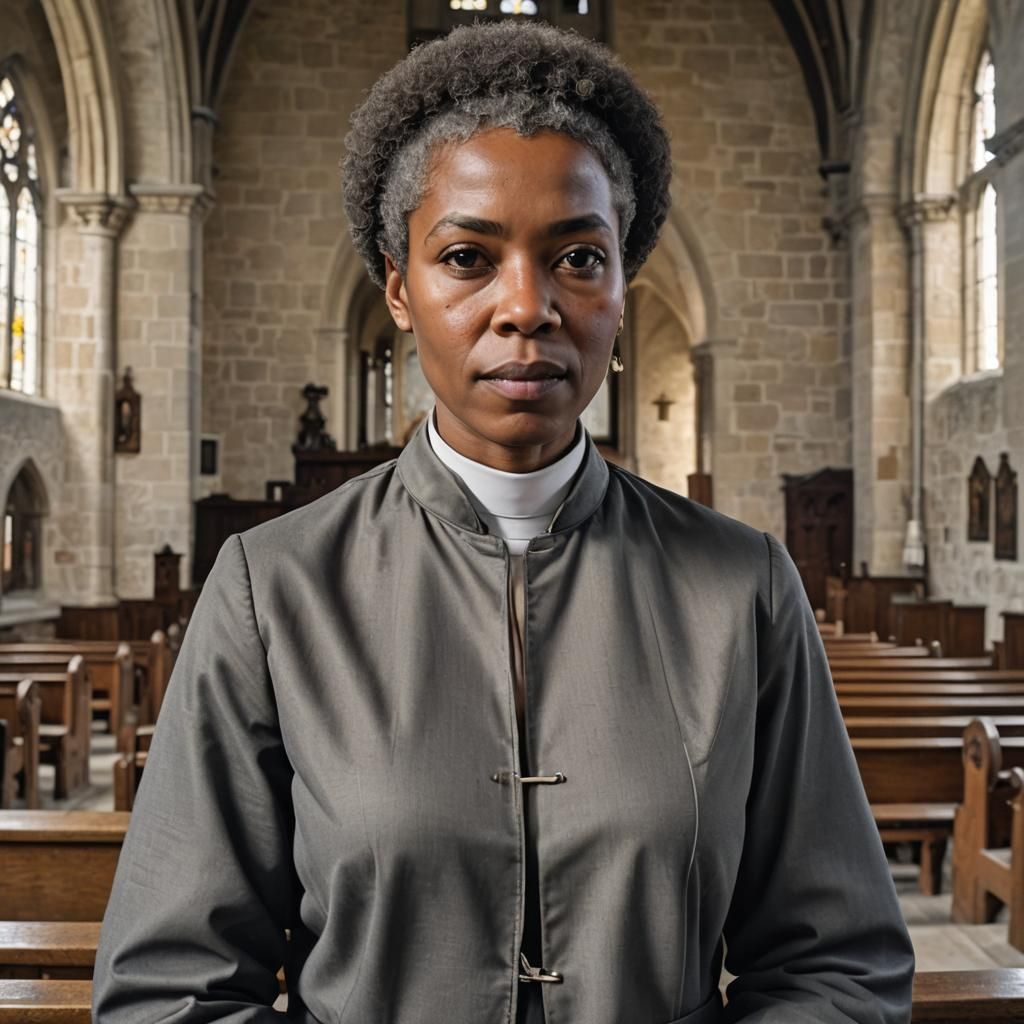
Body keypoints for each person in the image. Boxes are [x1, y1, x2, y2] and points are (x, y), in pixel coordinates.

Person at [93, 20, 915, 1024]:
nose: (525, 306)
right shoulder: (274, 589)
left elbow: (840, 966)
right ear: (400, 289)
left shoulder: (742, 587)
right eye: (468, 258)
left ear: (621, 288)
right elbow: (168, 989)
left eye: (576, 256)